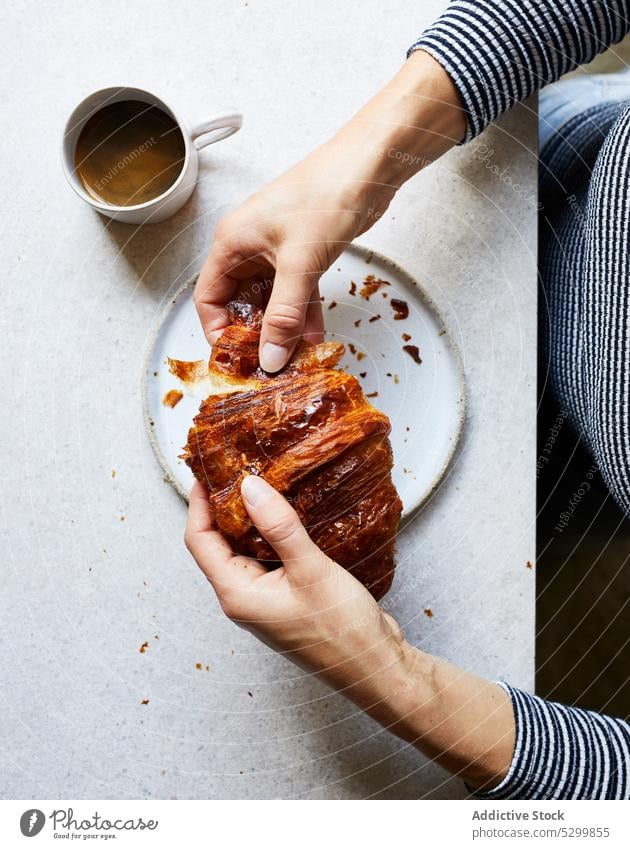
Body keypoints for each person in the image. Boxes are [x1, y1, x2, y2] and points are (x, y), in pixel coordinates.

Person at [186, 0, 630, 799]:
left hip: (588, 464)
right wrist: (367, 155)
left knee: (550, 531)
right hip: (566, 149)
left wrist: (392, 678)